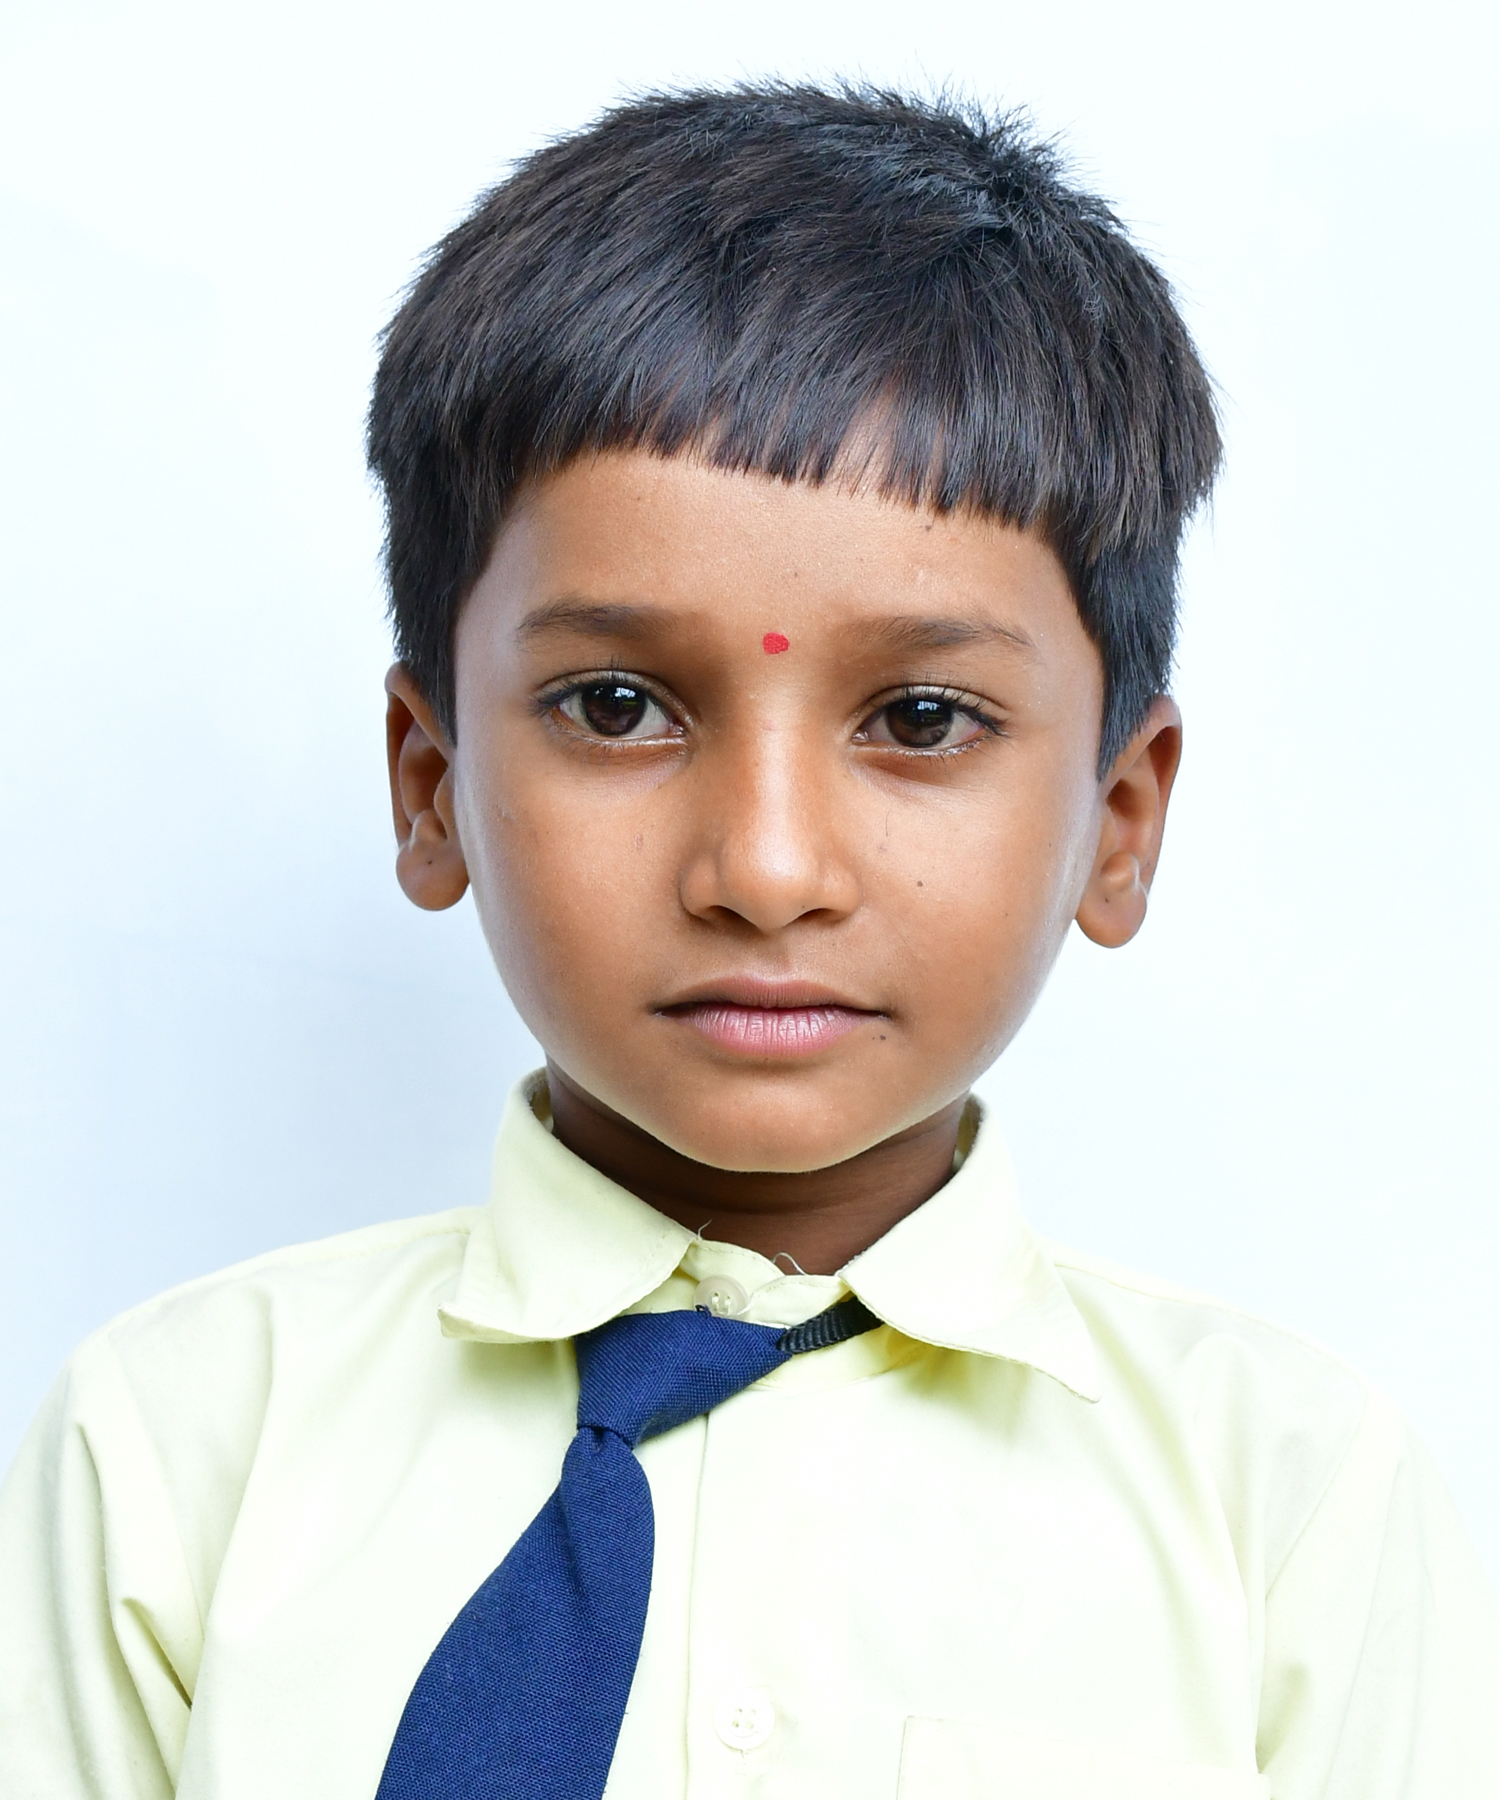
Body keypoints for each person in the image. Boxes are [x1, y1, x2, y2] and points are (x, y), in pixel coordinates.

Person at [0, 81, 1494, 1800]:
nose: (767, 871)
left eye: (922, 719)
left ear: (1120, 818)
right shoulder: (174, 1455)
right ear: (432, 786)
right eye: (616, 705)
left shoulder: (1293, 1506)